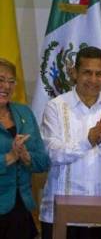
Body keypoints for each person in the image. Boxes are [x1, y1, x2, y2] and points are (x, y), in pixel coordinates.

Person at [39, 46, 101, 239]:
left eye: (99, 74)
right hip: (62, 215)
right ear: (74, 73)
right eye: (87, 73)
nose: (93, 80)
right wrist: (87, 141)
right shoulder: (55, 107)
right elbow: (52, 153)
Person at [0, 58, 49, 239]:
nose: (6, 86)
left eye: (11, 81)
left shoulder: (24, 113)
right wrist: (11, 156)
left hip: (22, 208)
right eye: (0, 80)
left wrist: (26, 157)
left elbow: (43, 162)